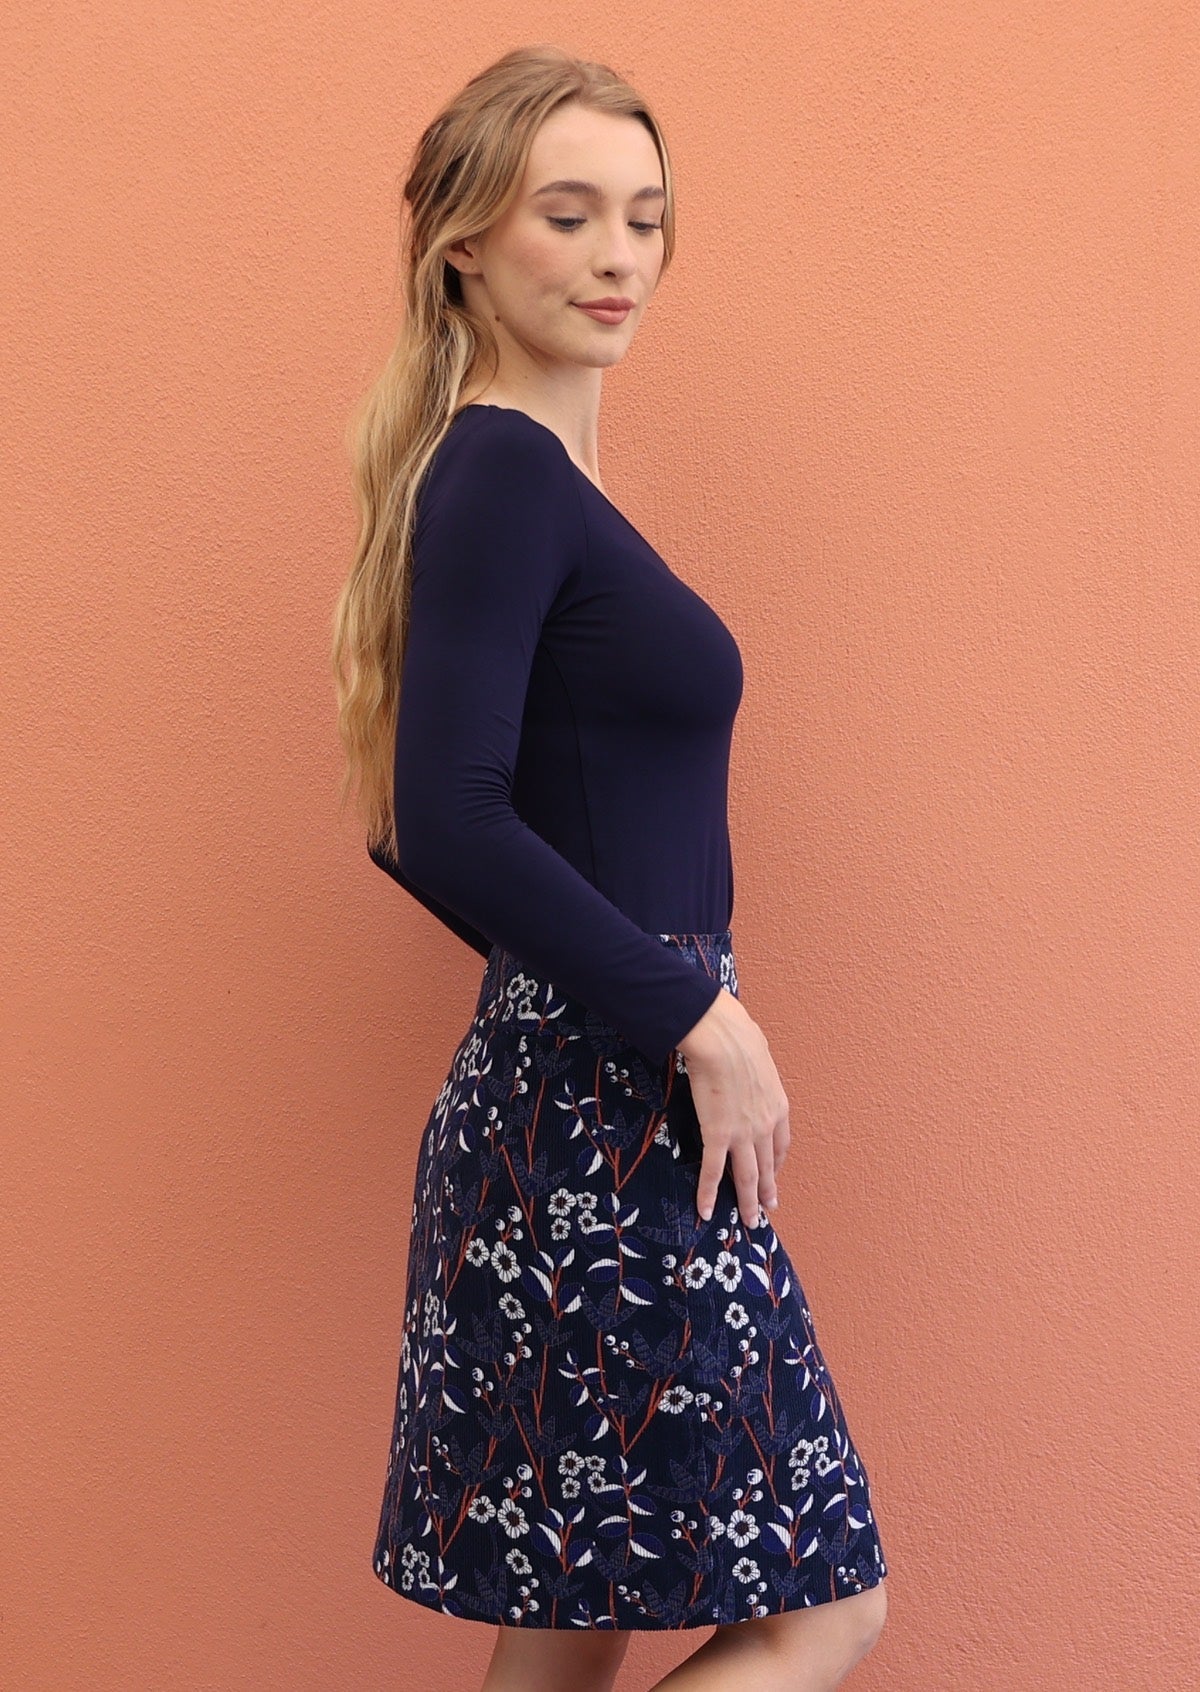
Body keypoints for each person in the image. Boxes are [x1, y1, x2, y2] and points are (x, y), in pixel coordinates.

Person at [331, 44, 889, 1692]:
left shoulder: (533, 483)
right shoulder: (501, 469)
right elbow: (441, 818)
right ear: (464, 246)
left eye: (643, 218)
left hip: (587, 1095)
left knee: (578, 1631)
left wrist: (604, 1000)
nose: (615, 255)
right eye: (565, 216)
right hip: (609, 1115)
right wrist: (689, 1015)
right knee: (822, 1608)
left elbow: (414, 822)